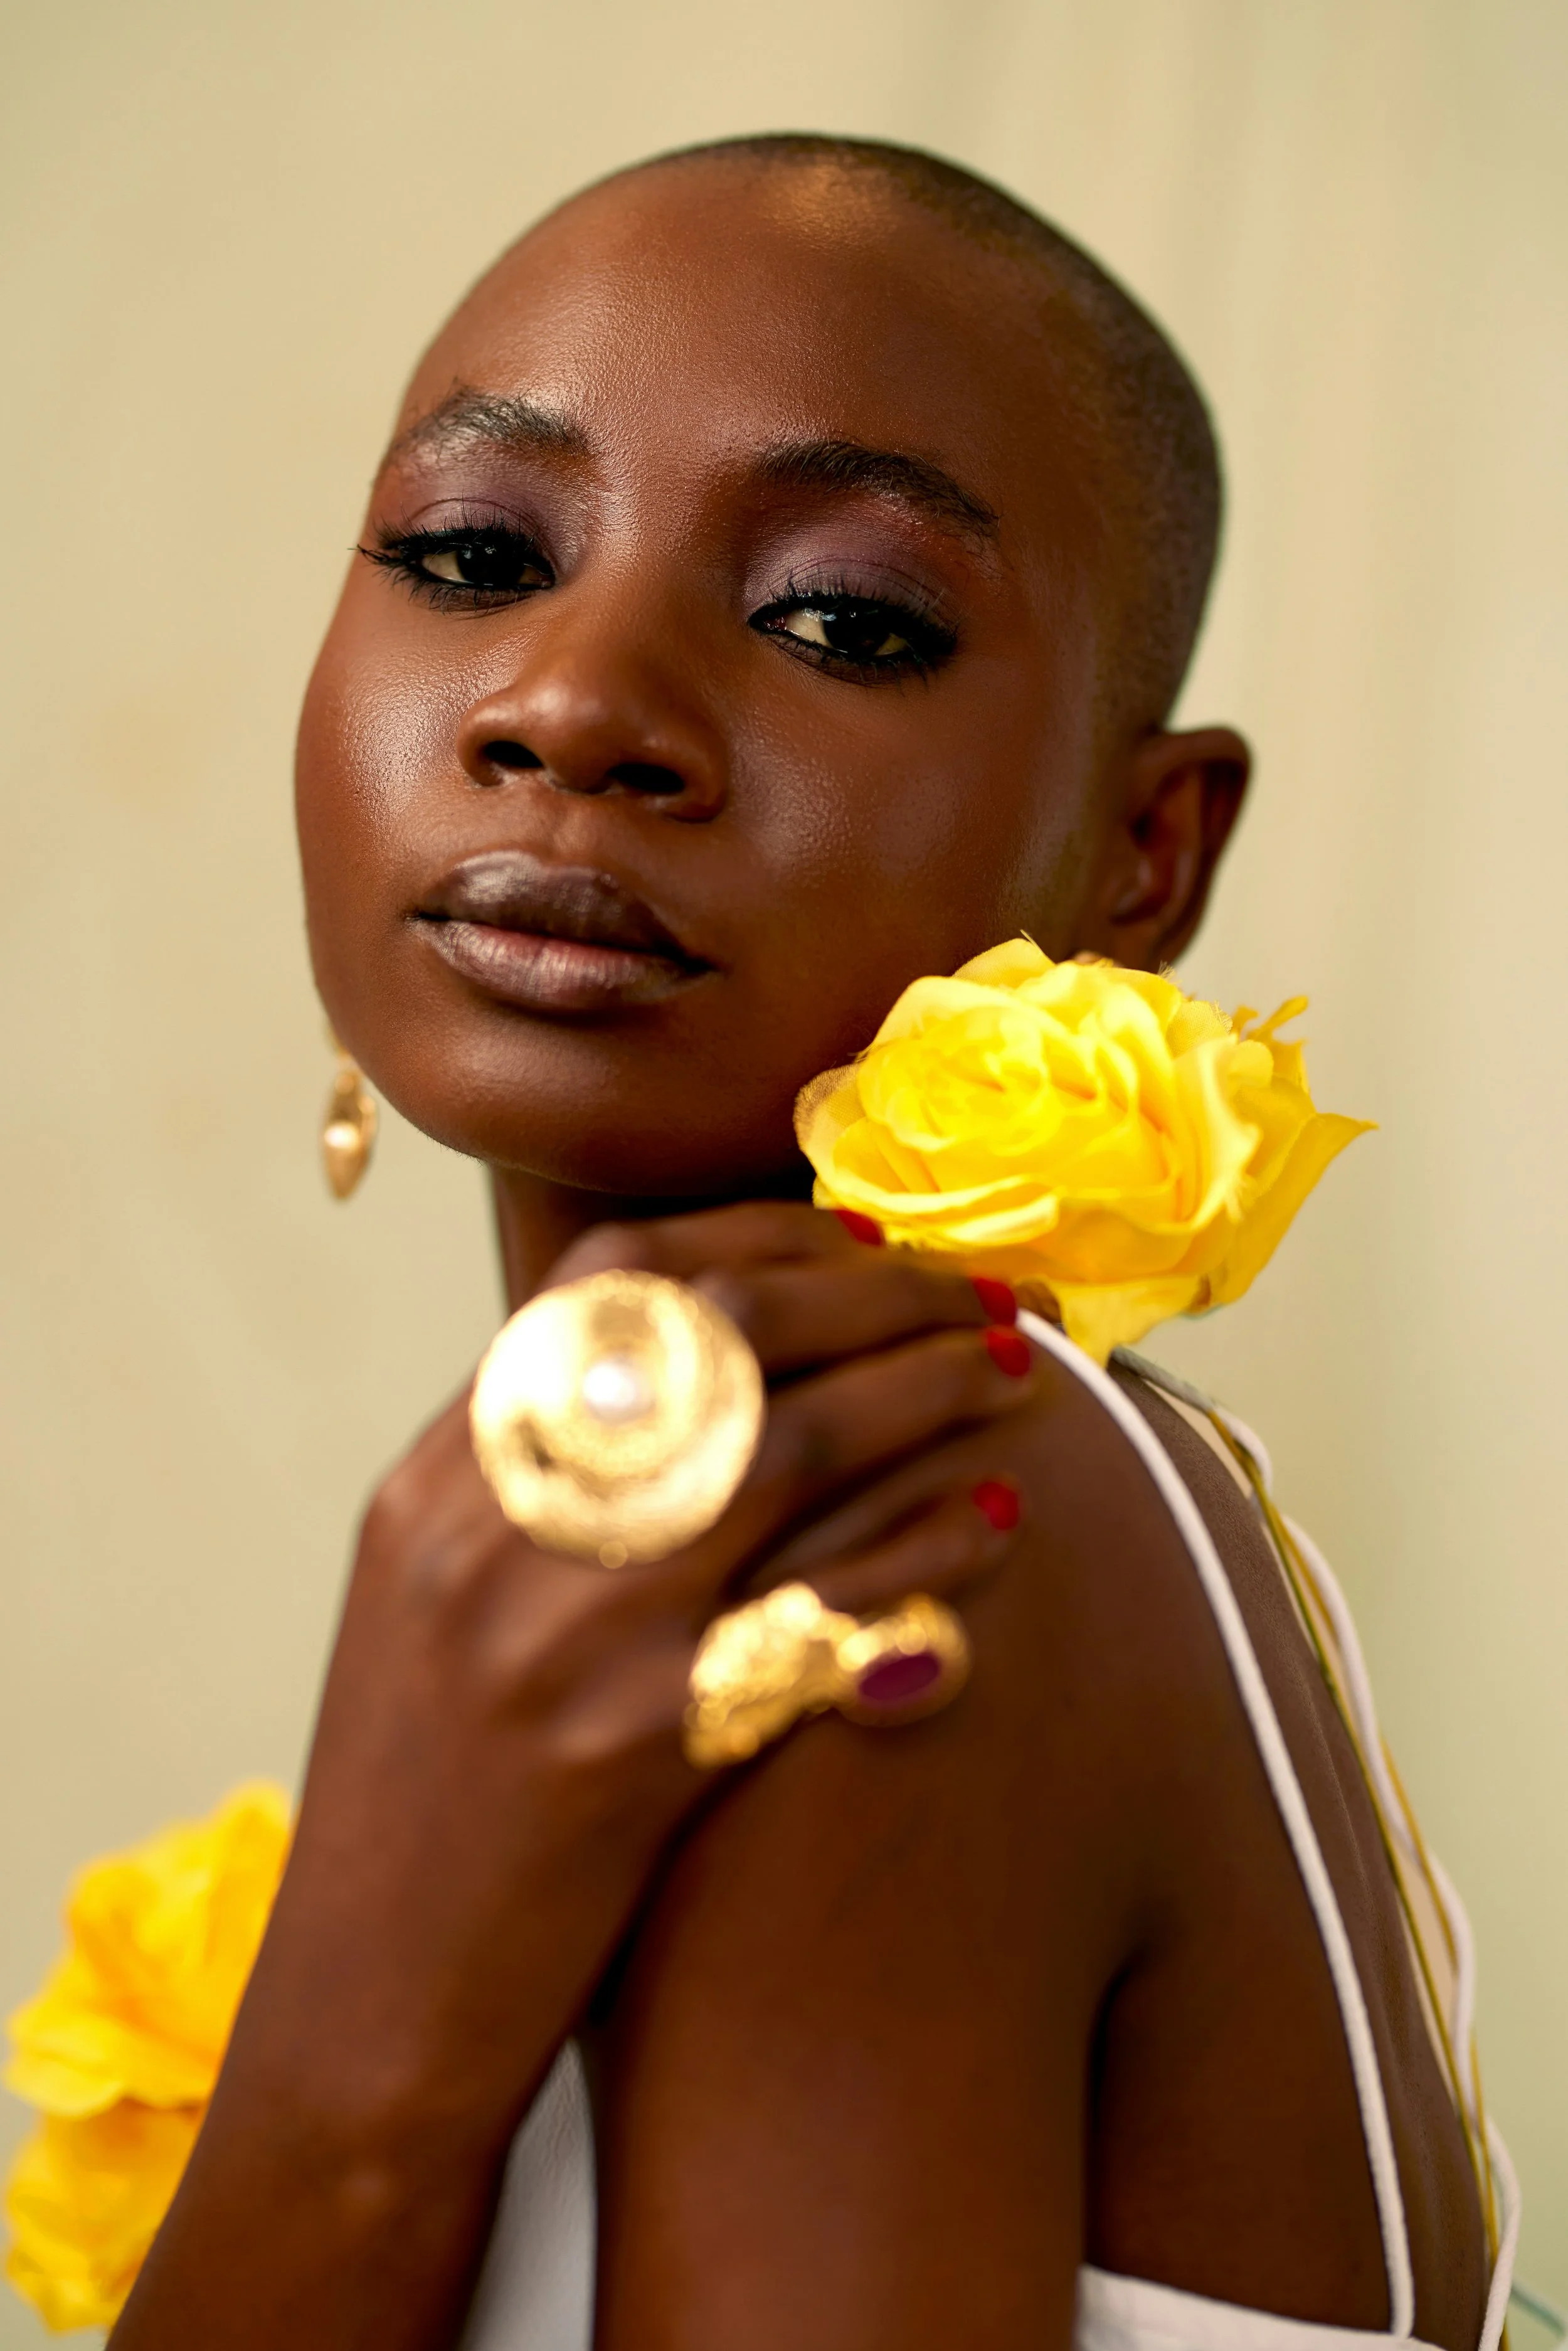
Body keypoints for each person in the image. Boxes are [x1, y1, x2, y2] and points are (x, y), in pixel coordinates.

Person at [109, 135, 1508, 2349]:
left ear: (1145, 857)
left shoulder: (889, 1526)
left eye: (842, 618)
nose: (569, 707)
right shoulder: (775, 1556)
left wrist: (351, 2071)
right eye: (473, 553)